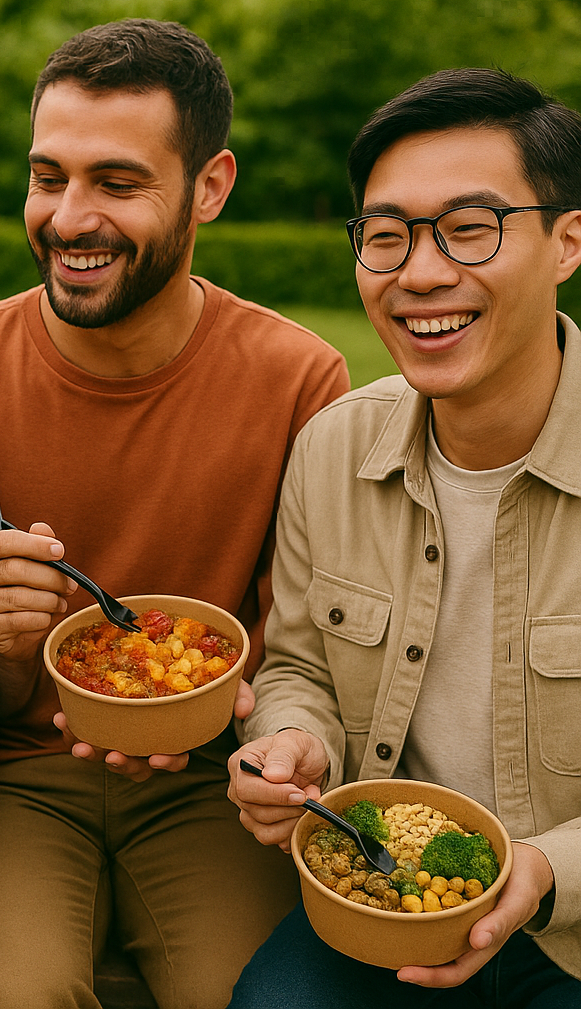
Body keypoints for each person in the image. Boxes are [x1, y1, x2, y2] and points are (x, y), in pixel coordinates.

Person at [0, 20, 351, 1009]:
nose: (69, 217)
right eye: (47, 175)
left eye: (116, 182)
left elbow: (300, 655)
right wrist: (5, 640)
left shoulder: (298, 379)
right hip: (14, 779)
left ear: (212, 187)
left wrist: (260, 732)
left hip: (205, 783)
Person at [227, 67, 581, 1006]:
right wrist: (292, 741)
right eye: (386, 238)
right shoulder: (338, 444)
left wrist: (543, 872)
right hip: (375, 899)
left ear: (567, 242)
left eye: (470, 230)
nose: (420, 273)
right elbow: (296, 664)